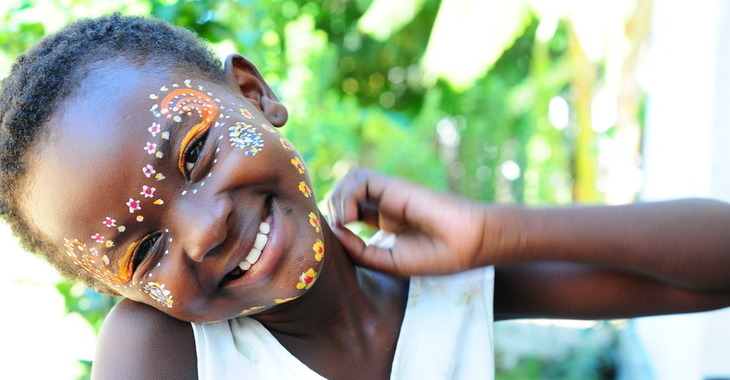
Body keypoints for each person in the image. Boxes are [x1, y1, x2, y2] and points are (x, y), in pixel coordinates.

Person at [1, 13, 728, 380]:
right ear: (115, 290)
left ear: (254, 93)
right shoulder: (162, 349)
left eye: (195, 151)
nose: (204, 230)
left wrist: (496, 234)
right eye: (144, 250)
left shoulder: (437, 277)